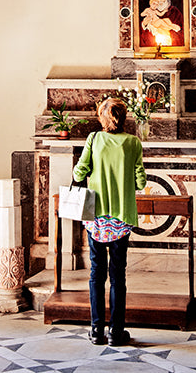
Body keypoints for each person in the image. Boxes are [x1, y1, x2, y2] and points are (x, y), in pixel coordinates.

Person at [73, 96, 146, 347]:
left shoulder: (93, 139)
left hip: (96, 218)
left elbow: (79, 171)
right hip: (121, 218)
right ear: (125, 117)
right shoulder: (133, 143)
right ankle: (116, 332)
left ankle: (96, 330)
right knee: (118, 276)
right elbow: (140, 182)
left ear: (101, 118)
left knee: (96, 273)